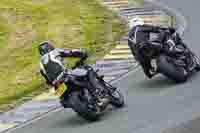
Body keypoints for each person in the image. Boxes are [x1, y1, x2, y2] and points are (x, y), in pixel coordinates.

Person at [128, 17, 197, 78]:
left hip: (141, 57)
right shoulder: (139, 27)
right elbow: (156, 29)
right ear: (140, 22)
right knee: (164, 33)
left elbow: (134, 53)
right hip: (148, 47)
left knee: (149, 70)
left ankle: (155, 69)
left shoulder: (129, 38)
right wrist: (168, 29)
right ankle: (172, 48)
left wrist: (147, 72)